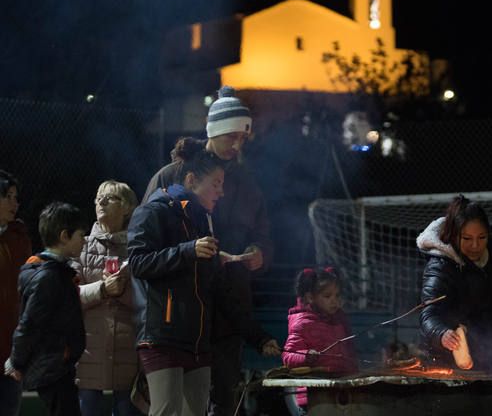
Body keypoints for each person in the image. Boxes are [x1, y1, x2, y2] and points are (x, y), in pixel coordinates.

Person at [142, 86, 273, 416]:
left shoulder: (247, 182)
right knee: (178, 405)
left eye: (243, 138)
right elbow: (145, 249)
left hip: (228, 310)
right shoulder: (172, 176)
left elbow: (263, 234)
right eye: (231, 136)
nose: (237, 145)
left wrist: (260, 253)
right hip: (181, 314)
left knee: (224, 399)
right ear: (214, 131)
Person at [418, 195, 492, 372]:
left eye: (482, 237)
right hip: (445, 357)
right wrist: (442, 334)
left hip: (488, 346)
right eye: (467, 239)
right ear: (454, 236)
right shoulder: (440, 266)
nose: (476, 246)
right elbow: (428, 314)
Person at [5, 202, 87, 416]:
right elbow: (29, 323)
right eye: (80, 235)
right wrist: (16, 361)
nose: (84, 240)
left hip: (57, 365)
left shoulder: (57, 273)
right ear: (64, 236)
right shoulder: (49, 277)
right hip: (52, 367)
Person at [72, 180, 141, 416]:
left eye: (110, 198)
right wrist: (102, 289)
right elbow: (68, 298)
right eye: (98, 197)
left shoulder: (139, 247)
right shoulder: (79, 245)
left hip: (129, 350)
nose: (101, 201)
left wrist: (122, 291)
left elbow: (149, 300)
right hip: (89, 350)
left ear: (128, 208)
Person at [282, 267, 357, 414]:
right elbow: (288, 355)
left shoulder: (338, 321)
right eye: (327, 296)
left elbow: (349, 354)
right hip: (313, 396)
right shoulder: (302, 323)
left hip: (337, 392)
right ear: (311, 297)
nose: (334, 301)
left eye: (337, 296)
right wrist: (307, 356)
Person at [0, 171, 32, 416]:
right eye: (8, 196)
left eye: (16, 197)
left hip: (12, 345)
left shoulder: (18, 236)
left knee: (10, 406)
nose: (15, 203)